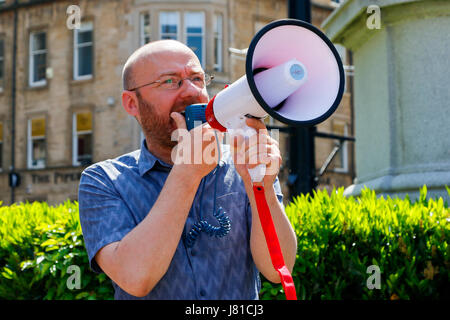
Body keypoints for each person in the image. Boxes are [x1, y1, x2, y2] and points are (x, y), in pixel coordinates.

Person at [78, 39, 297, 300]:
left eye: (197, 78)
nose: (192, 92)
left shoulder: (243, 163)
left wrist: (259, 185)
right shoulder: (103, 180)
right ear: (131, 103)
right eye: (170, 81)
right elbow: (136, 278)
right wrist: (186, 173)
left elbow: (277, 269)